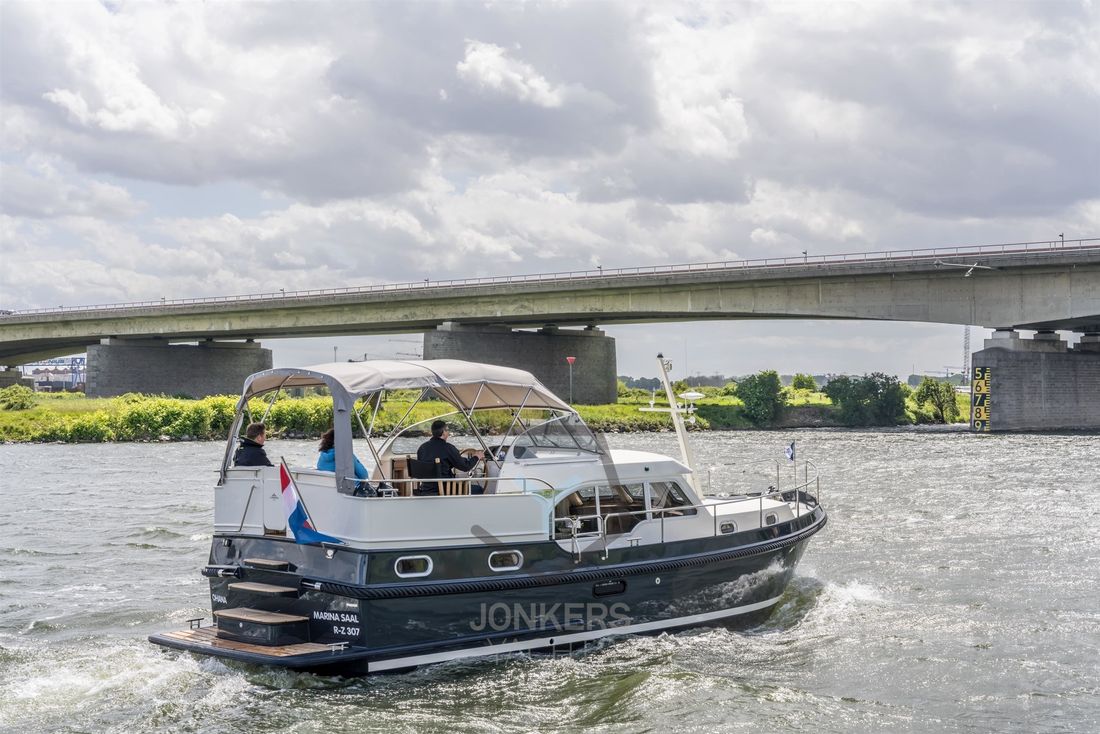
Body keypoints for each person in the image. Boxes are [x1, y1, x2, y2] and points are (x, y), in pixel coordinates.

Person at [416, 420, 484, 495]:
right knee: (478, 489)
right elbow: (465, 466)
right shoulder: (448, 448)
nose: (448, 432)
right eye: (447, 430)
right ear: (443, 432)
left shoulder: (422, 448)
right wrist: (476, 457)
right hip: (446, 489)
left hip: (426, 489)